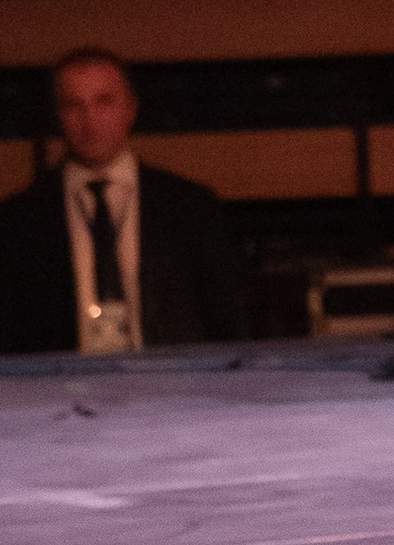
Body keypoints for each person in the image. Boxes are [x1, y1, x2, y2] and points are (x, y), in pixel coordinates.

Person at [0, 49, 245, 355]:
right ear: (57, 115)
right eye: (74, 106)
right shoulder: (21, 218)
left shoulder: (188, 206)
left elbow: (226, 318)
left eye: (104, 102)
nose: (90, 120)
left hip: (173, 388)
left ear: (131, 108)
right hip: (60, 390)